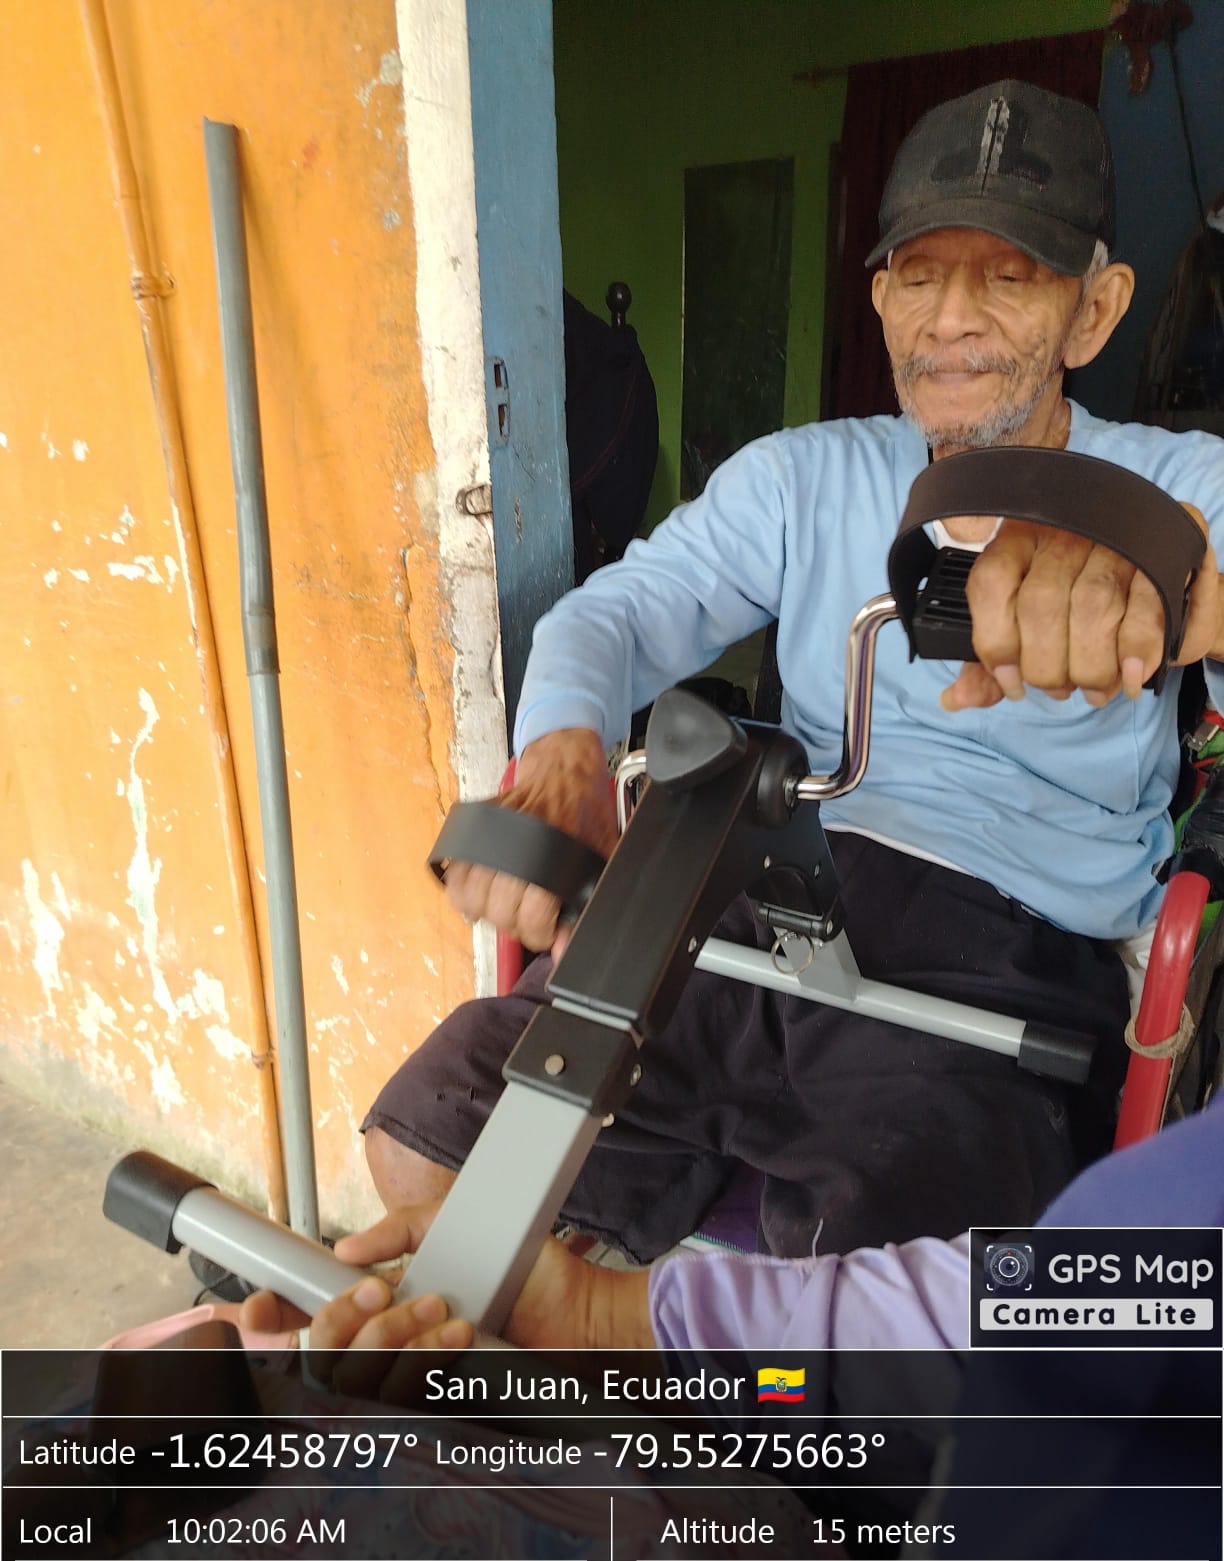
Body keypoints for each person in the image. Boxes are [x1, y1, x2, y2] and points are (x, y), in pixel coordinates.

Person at [362, 79, 1224, 1264]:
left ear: (1095, 311)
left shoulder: (1183, 486)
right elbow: (617, 613)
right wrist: (563, 749)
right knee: (437, 1144)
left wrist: (1171, 588)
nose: (950, 318)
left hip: (1009, 953)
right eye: (919, 274)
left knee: (867, 1295)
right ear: (879, 300)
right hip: (770, 899)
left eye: (1009, 276)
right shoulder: (801, 478)